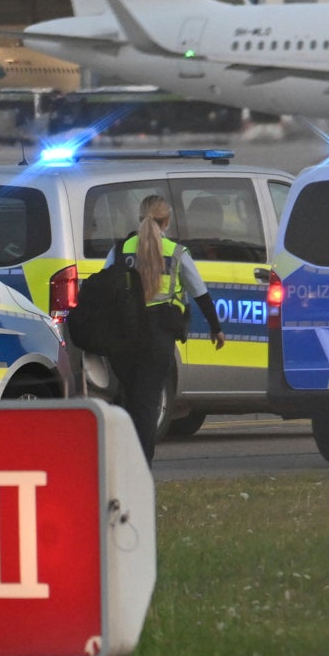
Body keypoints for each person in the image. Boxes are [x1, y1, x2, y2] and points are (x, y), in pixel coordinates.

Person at [111, 190, 221, 458]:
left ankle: (123, 463)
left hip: (124, 336)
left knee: (127, 401)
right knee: (148, 404)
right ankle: (142, 467)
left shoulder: (121, 249)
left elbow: (105, 285)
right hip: (158, 337)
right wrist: (215, 327)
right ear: (167, 221)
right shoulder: (177, 253)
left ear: (139, 219)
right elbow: (200, 293)